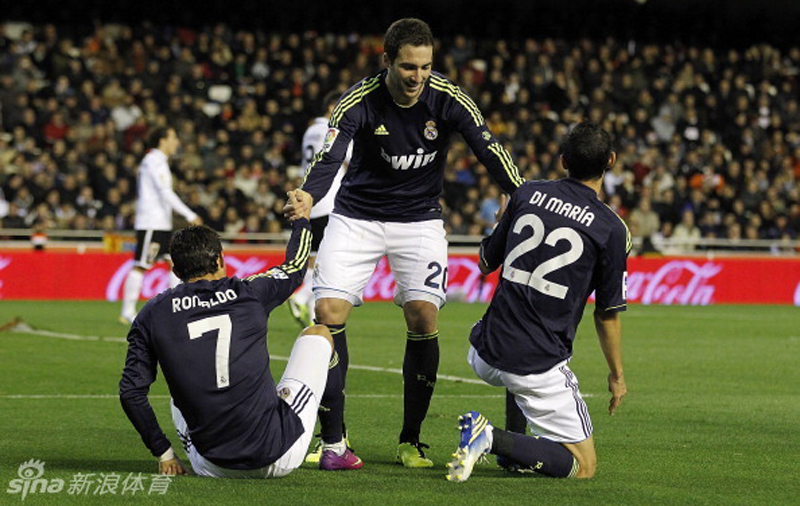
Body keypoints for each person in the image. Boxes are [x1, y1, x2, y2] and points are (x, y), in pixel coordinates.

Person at [290, 18, 524, 470]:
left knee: (423, 315)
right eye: (408, 67)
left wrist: (519, 191)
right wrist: (308, 194)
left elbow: (487, 146)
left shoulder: (448, 97)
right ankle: (334, 439)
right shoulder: (357, 101)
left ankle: (411, 440)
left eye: (425, 66)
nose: (418, 77)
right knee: (327, 314)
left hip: (419, 220)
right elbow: (330, 156)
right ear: (387, 62)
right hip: (356, 216)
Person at [446, 122, 630, 482]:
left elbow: (485, 262)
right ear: (611, 160)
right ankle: (491, 438)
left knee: (517, 347)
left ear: (562, 160)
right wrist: (617, 375)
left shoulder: (526, 194)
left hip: (483, 351)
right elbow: (606, 314)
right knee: (583, 465)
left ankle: (514, 454)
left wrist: (501, 222)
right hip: (536, 364)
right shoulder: (611, 228)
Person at [119, 193, 336, 478]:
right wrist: (301, 221)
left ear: (175, 269)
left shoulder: (152, 313)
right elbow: (295, 269)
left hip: (210, 465)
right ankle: (335, 442)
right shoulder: (249, 292)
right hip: (280, 454)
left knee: (178, 396)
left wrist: (164, 452)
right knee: (320, 332)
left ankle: (182, 452)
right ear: (221, 259)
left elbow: (131, 392)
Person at [119, 126, 202, 324]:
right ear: (162, 140)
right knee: (141, 265)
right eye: (173, 138)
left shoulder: (159, 162)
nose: (177, 143)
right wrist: (189, 214)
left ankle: (177, 308)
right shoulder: (153, 161)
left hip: (161, 224)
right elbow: (165, 192)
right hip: (151, 223)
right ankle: (127, 312)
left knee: (173, 264)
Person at [287, 90, 352, 329]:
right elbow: (350, 160)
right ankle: (303, 296)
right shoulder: (334, 130)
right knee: (332, 258)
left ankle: (310, 305)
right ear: (332, 107)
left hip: (310, 201)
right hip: (332, 200)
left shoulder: (309, 131)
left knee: (315, 258)